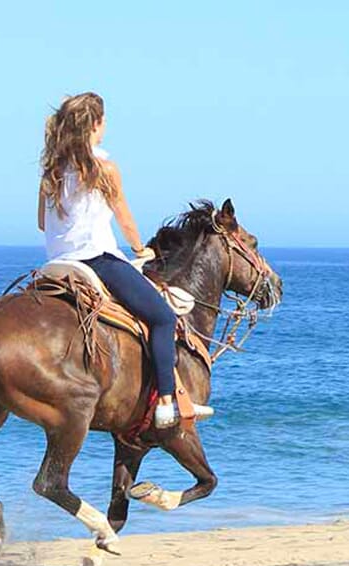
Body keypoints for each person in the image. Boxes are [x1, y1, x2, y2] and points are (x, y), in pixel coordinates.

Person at [37, 92, 213, 428]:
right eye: (103, 122)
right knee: (162, 316)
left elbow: (42, 223)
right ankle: (165, 402)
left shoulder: (52, 171)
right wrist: (139, 250)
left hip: (56, 264)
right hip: (97, 261)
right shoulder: (105, 168)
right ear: (96, 125)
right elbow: (125, 220)